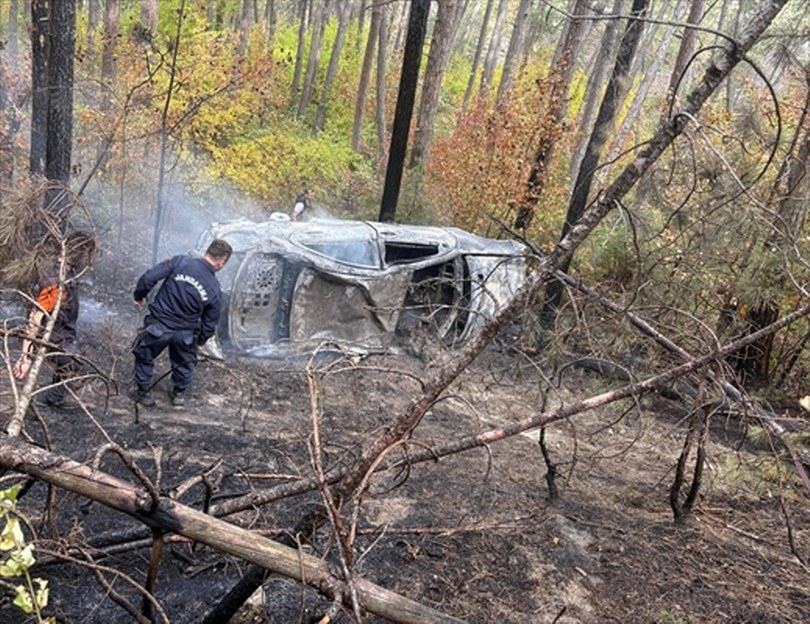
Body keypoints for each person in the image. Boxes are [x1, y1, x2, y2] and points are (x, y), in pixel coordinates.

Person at [128, 239, 232, 407]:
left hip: (159, 326)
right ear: (221, 263)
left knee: (144, 353)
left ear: (207, 252)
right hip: (185, 333)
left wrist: (138, 296)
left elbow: (149, 278)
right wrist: (201, 340)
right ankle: (179, 395)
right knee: (184, 362)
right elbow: (210, 321)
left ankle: (143, 391)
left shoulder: (180, 262)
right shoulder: (214, 287)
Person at [12, 231, 97, 410]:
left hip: (63, 335)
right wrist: (25, 357)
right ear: (77, 254)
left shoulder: (66, 272)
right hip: (53, 339)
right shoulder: (55, 282)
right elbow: (35, 318)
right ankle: (43, 401)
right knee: (78, 367)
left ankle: (53, 397)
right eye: (87, 255)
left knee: (69, 364)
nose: (89, 262)